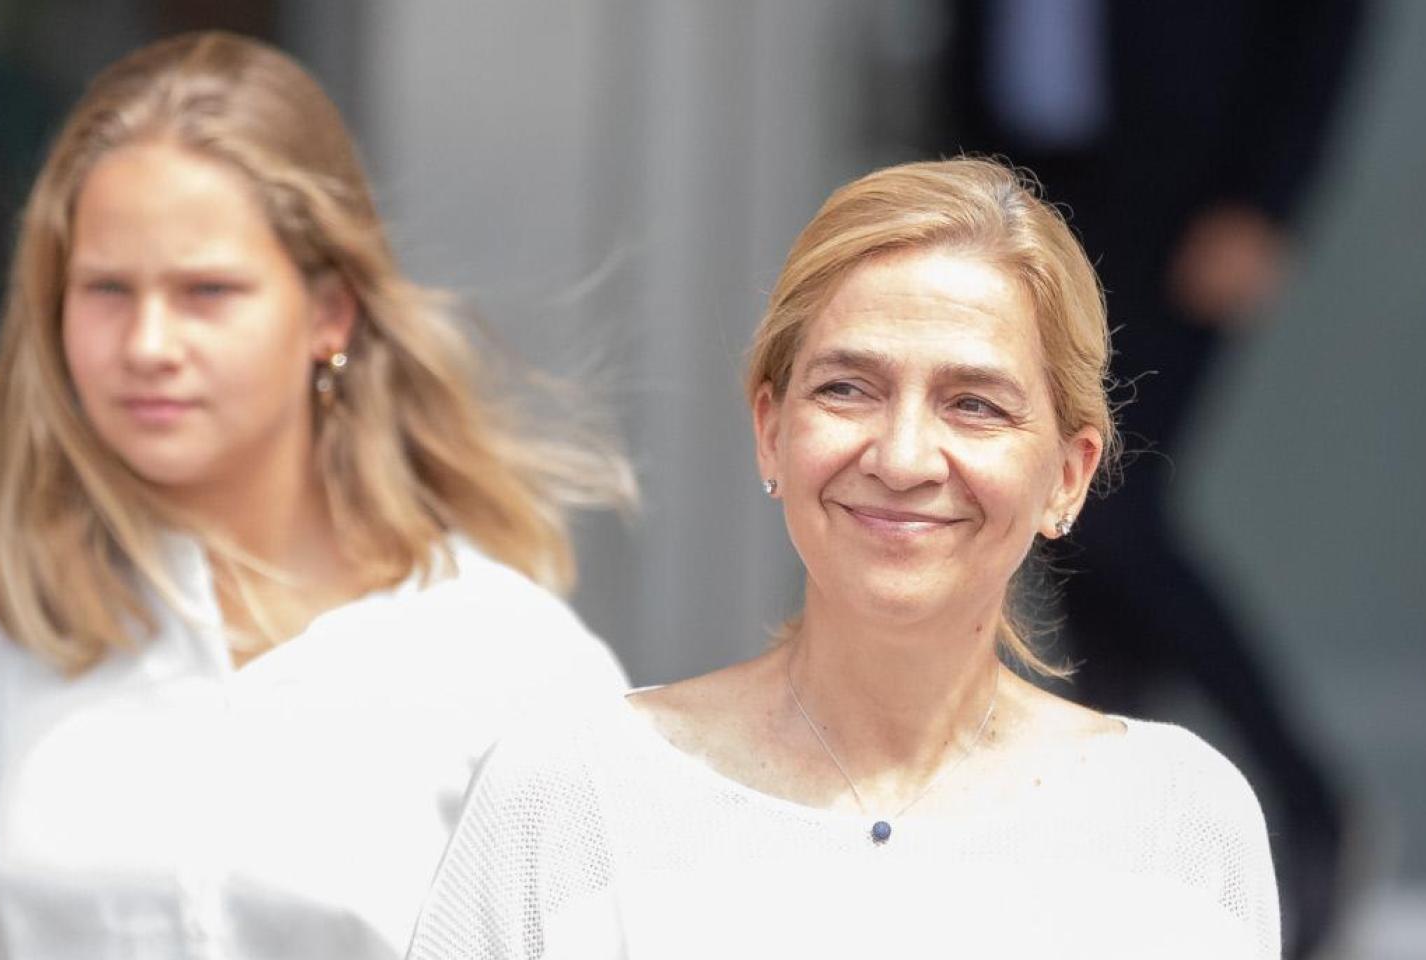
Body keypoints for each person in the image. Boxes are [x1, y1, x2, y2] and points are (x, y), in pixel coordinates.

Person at [0, 31, 632, 959]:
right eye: (107, 289)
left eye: (206, 291)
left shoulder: (508, 662)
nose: (148, 342)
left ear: (330, 312)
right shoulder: (14, 623)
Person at [406, 159, 1279, 959]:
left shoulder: (1178, 822)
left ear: (1069, 476)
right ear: (770, 431)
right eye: (847, 389)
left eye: (973, 404)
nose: (901, 458)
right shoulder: (573, 799)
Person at [937, 7, 1366, 954]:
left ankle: (1308, 801)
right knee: (1064, 529)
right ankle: (1123, 842)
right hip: (1016, 181)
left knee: (1103, 504)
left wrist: (1267, 198)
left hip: (1180, 190)